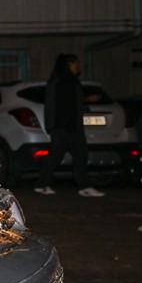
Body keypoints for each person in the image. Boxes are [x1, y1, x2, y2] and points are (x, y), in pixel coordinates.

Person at [35, 53, 104, 197]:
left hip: (72, 127)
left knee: (80, 155)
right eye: (76, 63)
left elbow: (72, 103)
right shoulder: (59, 81)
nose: (78, 66)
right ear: (69, 64)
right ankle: (42, 184)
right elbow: (54, 105)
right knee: (57, 155)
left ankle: (84, 186)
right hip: (62, 127)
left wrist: (85, 101)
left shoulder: (71, 81)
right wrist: (53, 127)